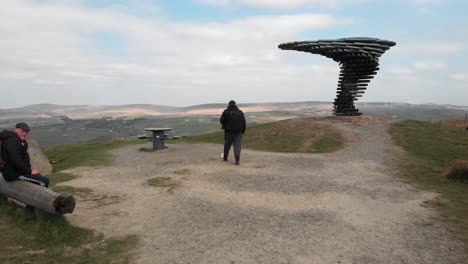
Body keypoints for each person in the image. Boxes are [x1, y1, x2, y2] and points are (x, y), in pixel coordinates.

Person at [0, 122, 49, 187]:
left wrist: (28, 171)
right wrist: (29, 172)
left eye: (26, 132)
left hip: (19, 172)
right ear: (16, 129)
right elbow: (16, 160)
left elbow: (23, 157)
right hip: (13, 174)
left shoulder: (18, 140)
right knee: (44, 181)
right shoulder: (11, 141)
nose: (25, 133)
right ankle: (42, 196)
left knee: (38, 176)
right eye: (23, 131)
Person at [220, 100, 246, 165]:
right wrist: (242, 131)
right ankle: (237, 160)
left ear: (229, 104)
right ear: (235, 105)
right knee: (237, 145)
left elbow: (221, 120)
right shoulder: (240, 112)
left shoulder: (226, 111)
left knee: (227, 145)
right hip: (238, 132)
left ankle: (225, 157)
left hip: (228, 131)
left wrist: (225, 125)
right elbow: (244, 122)